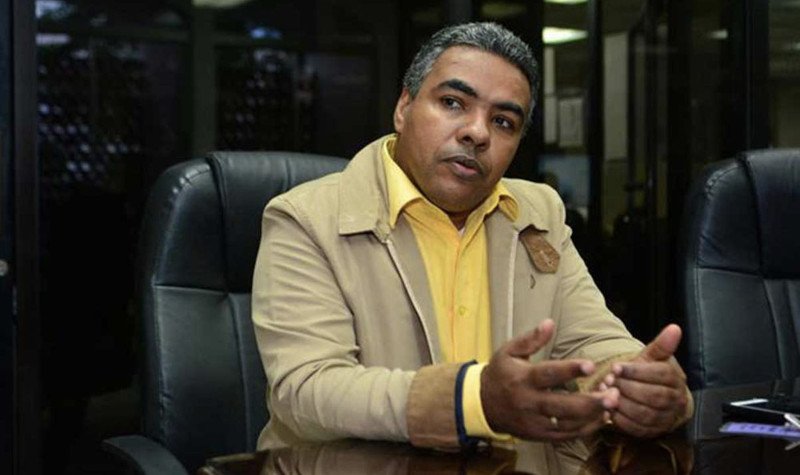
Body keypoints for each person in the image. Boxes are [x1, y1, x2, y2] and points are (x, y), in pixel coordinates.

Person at [251, 22, 691, 450]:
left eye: (503, 122)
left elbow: (592, 341)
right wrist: (473, 401)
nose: (477, 133)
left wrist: (635, 384)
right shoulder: (306, 218)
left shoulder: (537, 214)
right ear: (404, 107)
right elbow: (307, 391)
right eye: (452, 103)